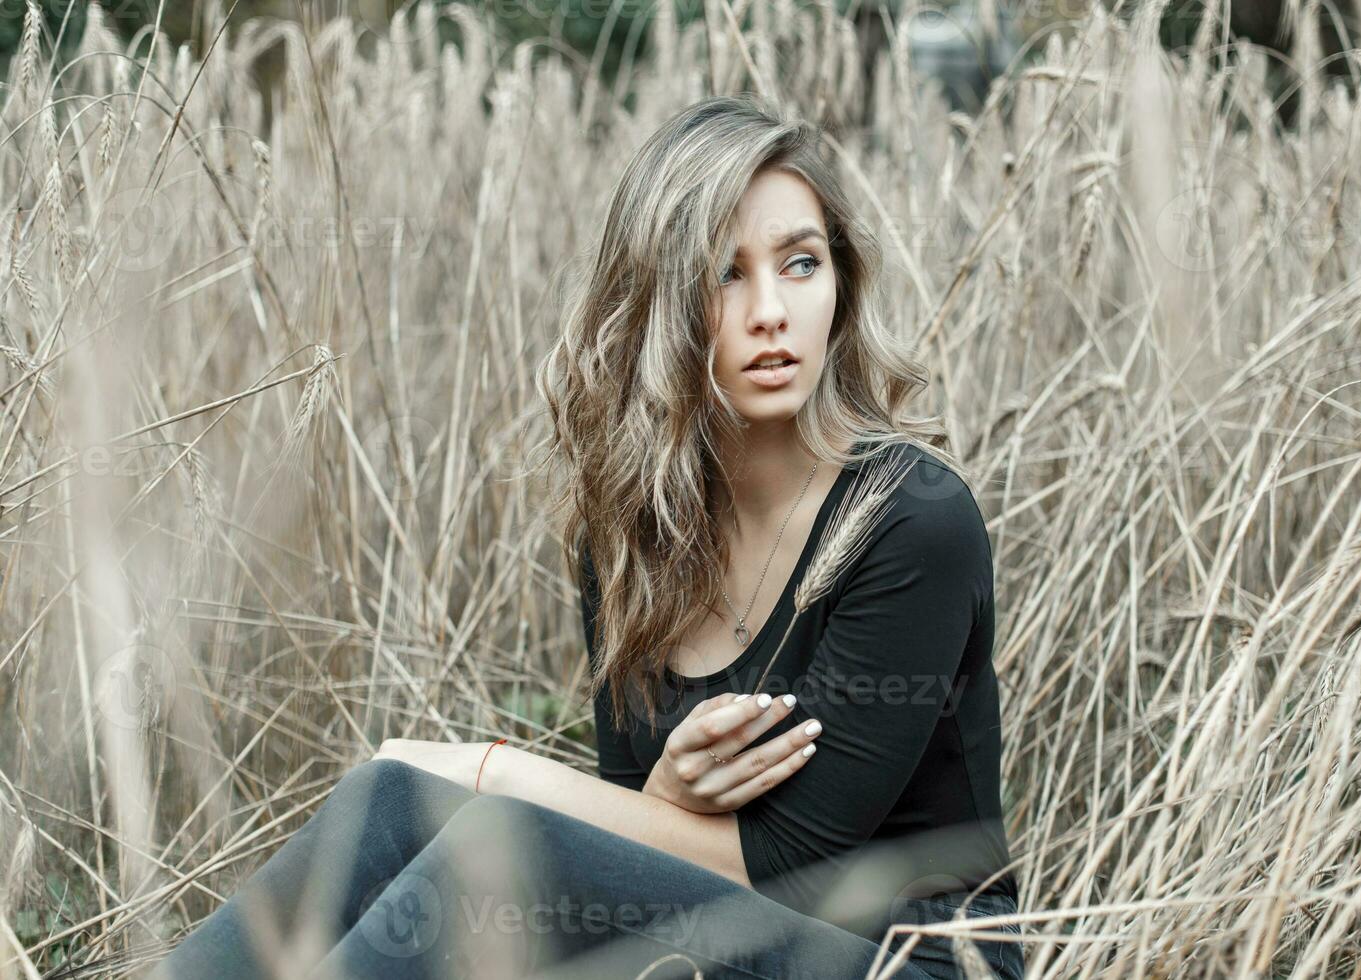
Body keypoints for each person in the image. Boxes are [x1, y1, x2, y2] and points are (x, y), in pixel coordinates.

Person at [140, 94, 1023, 980]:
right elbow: (641, 846)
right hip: (718, 949)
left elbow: (784, 863)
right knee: (388, 802)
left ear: (841, 284)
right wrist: (666, 797)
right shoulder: (632, 536)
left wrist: (496, 771)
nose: (770, 310)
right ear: (661, 301)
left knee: (489, 851)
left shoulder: (911, 521)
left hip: (913, 962)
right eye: (725, 273)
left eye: (801, 263)